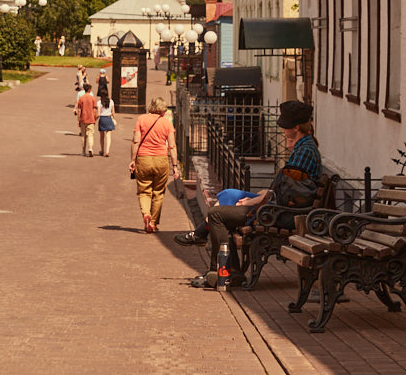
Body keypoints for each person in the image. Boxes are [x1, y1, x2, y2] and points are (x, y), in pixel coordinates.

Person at [174, 100, 321, 287]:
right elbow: (288, 187)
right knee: (227, 197)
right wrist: (263, 195)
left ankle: (219, 269)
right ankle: (226, 268)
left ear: (295, 128)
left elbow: (288, 193)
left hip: (282, 213)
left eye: (285, 128)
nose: (283, 132)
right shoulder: (303, 148)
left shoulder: (304, 151)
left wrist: (257, 201)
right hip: (279, 208)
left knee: (216, 214)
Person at [128, 97, 179, 234]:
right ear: (163, 110)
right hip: (161, 159)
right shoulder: (167, 123)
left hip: (143, 159)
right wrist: (174, 166)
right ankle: (153, 222)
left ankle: (146, 214)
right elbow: (172, 146)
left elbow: (135, 142)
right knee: (158, 193)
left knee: (144, 191)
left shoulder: (141, 119)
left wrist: (133, 160)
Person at [74, 82, 98, 157]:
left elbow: (79, 110)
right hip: (91, 118)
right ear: (90, 90)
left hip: (83, 119)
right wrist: (94, 118)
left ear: (84, 89)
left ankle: (83, 151)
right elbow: (94, 110)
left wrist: (78, 119)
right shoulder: (93, 98)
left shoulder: (81, 98)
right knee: (90, 134)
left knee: (83, 136)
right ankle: (90, 148)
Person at [96, 93, 116, 157]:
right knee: (108, 136)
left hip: (102, 119)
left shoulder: (99, 102)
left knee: (102, 136)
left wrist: (95, 119)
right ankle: (107, 151)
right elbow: (113, 112)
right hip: (108, 118)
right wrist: (114, 119)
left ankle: (102, 150)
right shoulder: (111, 101)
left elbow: (98, 113)